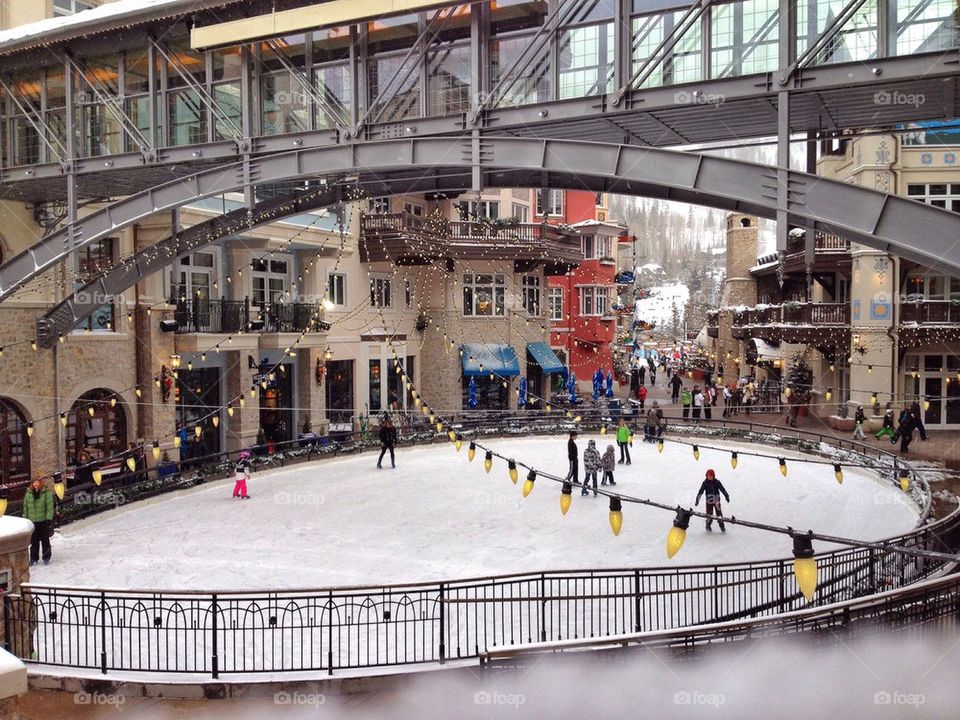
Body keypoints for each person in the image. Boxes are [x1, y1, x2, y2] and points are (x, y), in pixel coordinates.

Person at [23, 476, 54, 566]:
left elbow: (49, 506)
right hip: (32, 521)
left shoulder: (46, 492)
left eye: (37, 482)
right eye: (34, 483)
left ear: (40, 483)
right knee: (34, 541)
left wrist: (49, 518)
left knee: (45, 540)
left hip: (43, 520)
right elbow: (25, 507)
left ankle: (46, 557)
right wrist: (26, 518)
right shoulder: (28, 493)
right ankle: (33, 558)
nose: (36, 484)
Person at [695, 468, 731, 533]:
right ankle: (708, 526)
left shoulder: (717, 482)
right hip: (709, 502)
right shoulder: (705, 483)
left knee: (719, 515)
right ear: (706, 476)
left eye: (711, 476)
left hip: (717, 501)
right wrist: (697, 500)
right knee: (709, 514)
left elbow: (723, 489)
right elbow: (701, 491)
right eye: (708, 476)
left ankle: (722, 527)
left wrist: (726, 496)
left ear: (714, 476)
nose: (710, 477)